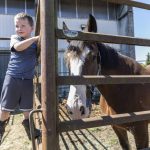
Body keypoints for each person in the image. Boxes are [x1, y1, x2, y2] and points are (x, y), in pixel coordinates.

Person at [0, 12, 41, 143]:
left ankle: (32, 133)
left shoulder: (36, 44)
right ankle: (0, 130)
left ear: (32, 28)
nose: (19, 29)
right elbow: (18, 48)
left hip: (28, 80)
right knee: (5, 110)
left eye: (23, 25)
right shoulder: (15, 38)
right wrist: (35, 39)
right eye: (17, 26)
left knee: (27, 110)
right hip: (13, 78)